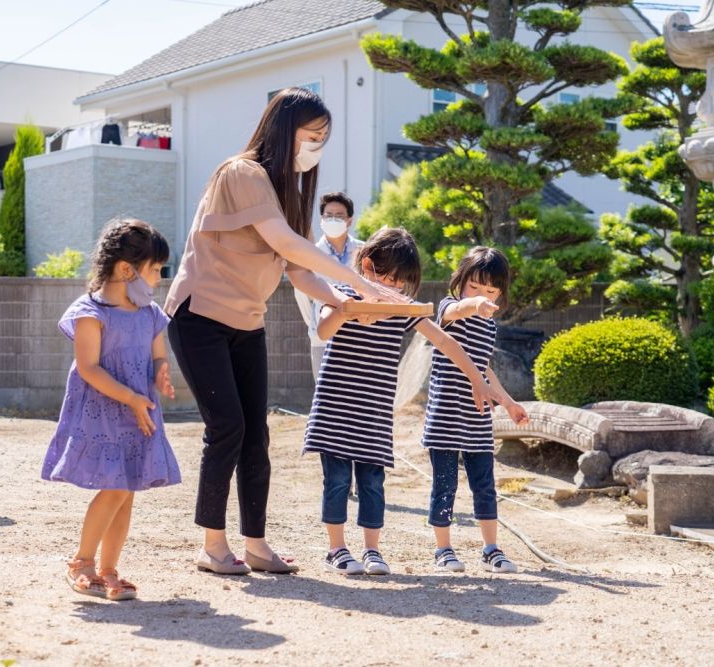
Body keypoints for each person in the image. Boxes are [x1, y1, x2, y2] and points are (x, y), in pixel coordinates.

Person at [164, 87, 402, 576]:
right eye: (311, 135)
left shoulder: (286, 191)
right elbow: (284, 242)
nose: (316, 145)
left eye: (323, 138)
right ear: (282, 127)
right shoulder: (241, 172)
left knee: (257, 435)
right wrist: (354, 279)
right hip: (200, 316)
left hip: (247, 322)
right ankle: (213, 545)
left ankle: (256, 545)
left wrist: (349, 301)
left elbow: (298, 269)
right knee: (227, 427)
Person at [303, 228, 493, 576]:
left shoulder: (403, 308)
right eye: (383, 276)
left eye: (398, 281)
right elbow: (323, 330)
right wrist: (351, 309)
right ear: (366, 265)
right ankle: (337, 549)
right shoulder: (342, 292)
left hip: (374, 413)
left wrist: (478, 378)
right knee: (338, 481)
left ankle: (372, 550)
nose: (389, 285)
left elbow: (446, 342)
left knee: (373, 483)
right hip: (336, 408)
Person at [41, 218, 180, 601]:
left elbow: (156, 356)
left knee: (127, 488)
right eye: (154, 270)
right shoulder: (90, 311)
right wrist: (132, 398)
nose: (157, 279)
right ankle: (82, 562)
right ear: (126, 269)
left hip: (139, 411)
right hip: (104, 411)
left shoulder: (150, 313)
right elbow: (89, 368)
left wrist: (161, 375)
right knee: (115, 486)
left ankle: (108, 568)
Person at [423, 246, 530, 574]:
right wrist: (473, 304)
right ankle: (443, 548)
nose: (482, 296)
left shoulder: (489, 326)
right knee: (445, 482)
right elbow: (457, 311)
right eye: (474, 286)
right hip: (445, 415)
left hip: (478, 417)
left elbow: (485, 369)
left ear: (501, 293)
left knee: (484, 484)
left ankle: (491, 548)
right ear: (460, 281)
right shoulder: (447, 307)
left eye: (490, 291)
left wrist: (508, 403)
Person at [293, 192, 364, 379]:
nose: (333, 220)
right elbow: (302, 296)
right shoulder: (312, 253)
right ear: (321, 219)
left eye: (339, 216)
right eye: (328, 215)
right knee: (326, 394)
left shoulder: (364, 251)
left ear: (349, 220)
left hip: (359, 335)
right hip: (322, 338)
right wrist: (315, 324)